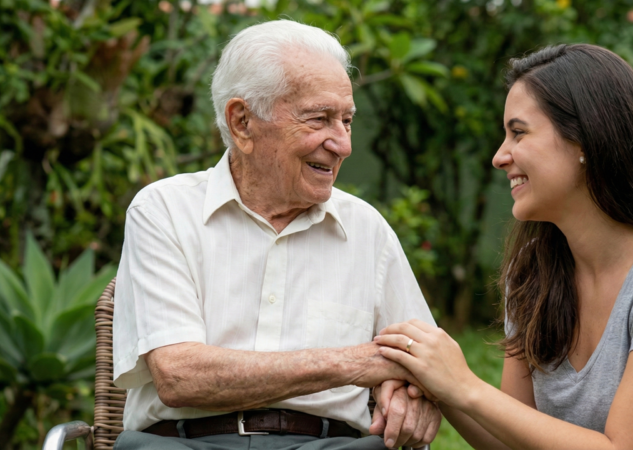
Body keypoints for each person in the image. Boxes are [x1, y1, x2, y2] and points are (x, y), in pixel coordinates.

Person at [374, 44, 633, 450]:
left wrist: (464, 386)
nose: (500, 156)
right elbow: (514, 442)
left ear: (585, 140)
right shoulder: (534, 270)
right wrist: (433, 381)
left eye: (518, 132)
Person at [111, 20, 440, 450]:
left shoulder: (366, 229)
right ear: (243, 122)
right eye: (319, 119)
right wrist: (356, 364)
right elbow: (180, 376)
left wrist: (414, 395)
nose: (342, 144)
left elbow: (425, 363)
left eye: (347, 120)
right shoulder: (164, 210)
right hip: (183, 444)